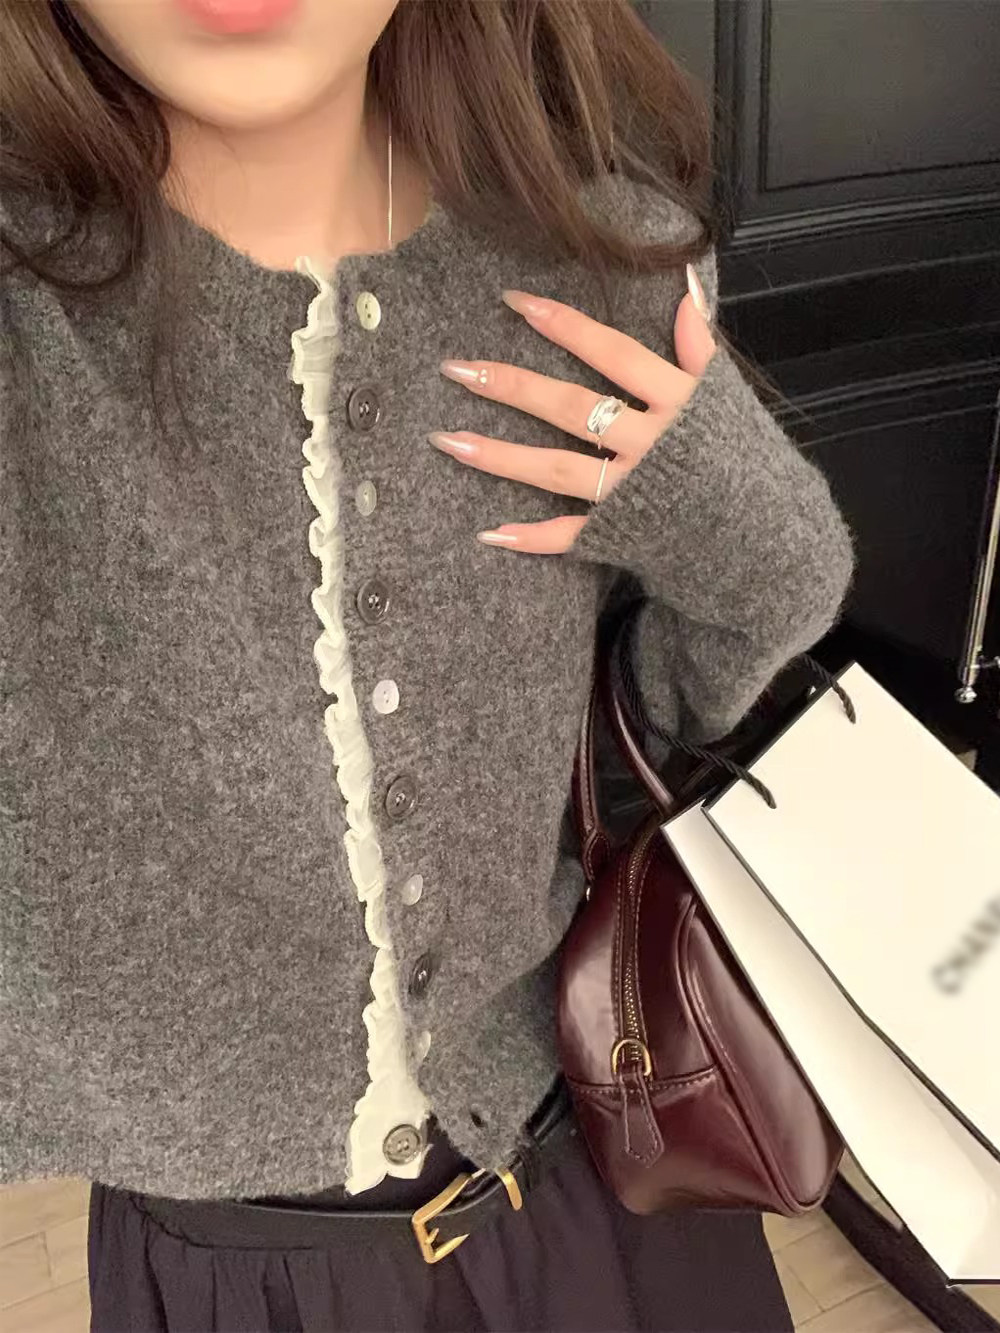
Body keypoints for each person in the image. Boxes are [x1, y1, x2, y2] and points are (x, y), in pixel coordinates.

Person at [0, 1, 855, 1328]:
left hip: (600, 1176)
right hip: (239, 1277)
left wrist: (728, 513)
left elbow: (682, 684)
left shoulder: (589, 257)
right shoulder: (34, 328)